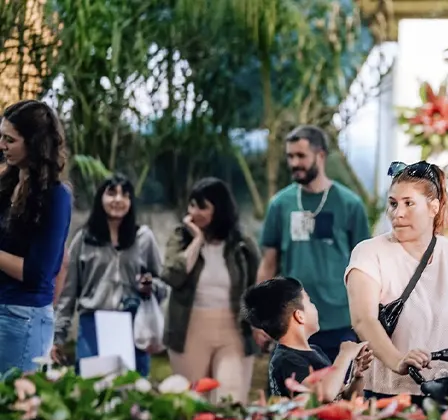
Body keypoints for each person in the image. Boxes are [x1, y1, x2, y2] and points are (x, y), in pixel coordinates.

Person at [345, 161, 448, 400]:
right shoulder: (369, 253)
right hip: (390, 395)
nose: (397, 213)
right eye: (393, 204)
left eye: (408, 203)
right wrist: (398, 361)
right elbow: (363, 320)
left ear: (433, 207)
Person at [257, 125, 371, 358]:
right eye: (290, 156)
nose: (294, 163)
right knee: (290, 393)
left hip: (340, 322)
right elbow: (268, 263)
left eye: (301, 156)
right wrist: (261, 316)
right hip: (293, 321)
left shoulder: (349, 204)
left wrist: (368, 319)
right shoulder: (280, 204)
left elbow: (366, 268)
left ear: (320, 155)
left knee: (342, 393)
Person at [53, 174, 166, 376]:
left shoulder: (144, 238)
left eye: (125, 195)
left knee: (133, 397)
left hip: (133, 326)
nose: (118, 200)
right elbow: (68, 294)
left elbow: (163, 284)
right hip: (92, 327)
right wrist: (58, 337)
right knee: (91, 394)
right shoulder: (84, 239)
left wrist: (150, 286)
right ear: (101, 198)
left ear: (131, 202)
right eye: (111, 193)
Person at [163, 178, 260, 402]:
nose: (194, 212)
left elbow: (256, 286)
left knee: (230, 401)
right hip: (189, 328)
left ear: (219, 209)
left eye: (202, 207)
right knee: (193, 404)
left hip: (233, 328)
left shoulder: (242, 245)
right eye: (191, 205)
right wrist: (197, 240)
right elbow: (172, 276)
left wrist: (260, 325)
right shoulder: (181, 237)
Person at [0, 100, 72, 373]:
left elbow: (37, 273)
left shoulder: (56, 196)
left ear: (34, 143)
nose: (2, 145)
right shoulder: (7, 185)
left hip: (23, 318)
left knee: (16, 410)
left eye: (10, 139)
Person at [241, 276, 371, 399]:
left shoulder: (315, 351)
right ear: (299, 316)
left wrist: (356, 376)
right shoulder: (287, 360)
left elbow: (344, 397)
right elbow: (324, 394)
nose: (315, 306)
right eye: (309, 301)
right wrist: (344, 355)